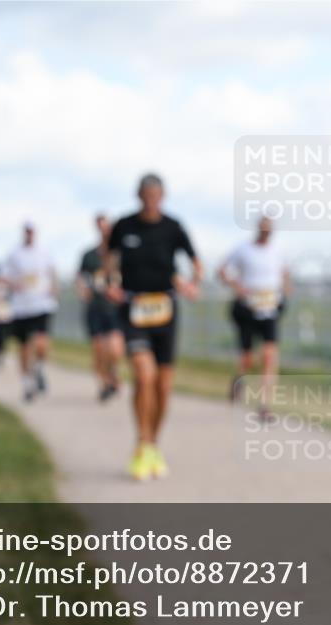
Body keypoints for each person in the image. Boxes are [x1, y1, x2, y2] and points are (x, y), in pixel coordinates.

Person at [105, 174, 202, 481]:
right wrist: (110, 283)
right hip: (134, 311)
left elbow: (196, 262)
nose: (151, 200)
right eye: (146, 195)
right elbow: (109, 259)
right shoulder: (124, 226)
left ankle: (153, 444)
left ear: (163, 196)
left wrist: (191, 284)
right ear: (138, 196)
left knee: (163, 387)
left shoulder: (173, 227)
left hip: (165, 312)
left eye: (156, 195)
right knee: (144, 376)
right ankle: (142, 441)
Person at [216, 216, 291, 418]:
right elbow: (221, 271)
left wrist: (286, 288)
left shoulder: (278, 251)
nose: (267, 233)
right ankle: (239, 379)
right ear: (258, 229)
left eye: (270, 230)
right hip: (247, 309)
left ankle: (265, 406)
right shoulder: (243, 249)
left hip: (270, 308)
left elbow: (284, 272)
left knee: (269, 356)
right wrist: (237, 287)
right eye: (264, 229)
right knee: (247, 358)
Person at [1, 222, 58, 401]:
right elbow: (3, 275)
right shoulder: (14, 253)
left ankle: (39, 367)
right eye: (27, 231)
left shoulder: (45, 251)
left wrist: (54, 289)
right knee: (24, 346)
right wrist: (13, 284)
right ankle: (27, 383)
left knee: (41, 342)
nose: (29, 234)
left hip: (42, 304)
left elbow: (53, 272)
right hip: (21, 306)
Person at [76, 213, 123, 402]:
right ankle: (104, 384)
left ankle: (112, 372)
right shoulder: (89, 255)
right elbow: (80, 277)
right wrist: (82, 289)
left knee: (115, 349)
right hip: (95, 307)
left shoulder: (119, 254)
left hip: (114, 308)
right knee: (98, 349)